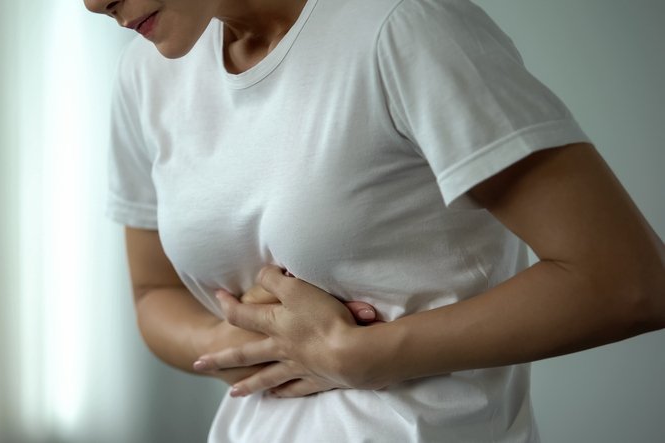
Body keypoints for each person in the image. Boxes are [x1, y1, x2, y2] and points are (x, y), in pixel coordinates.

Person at [84, 0, 665, 441]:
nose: (91, 3)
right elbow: (154, 293)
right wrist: (243, 341)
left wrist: (358, 355)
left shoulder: (400, 24)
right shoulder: (146, 78)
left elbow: (628, 281)